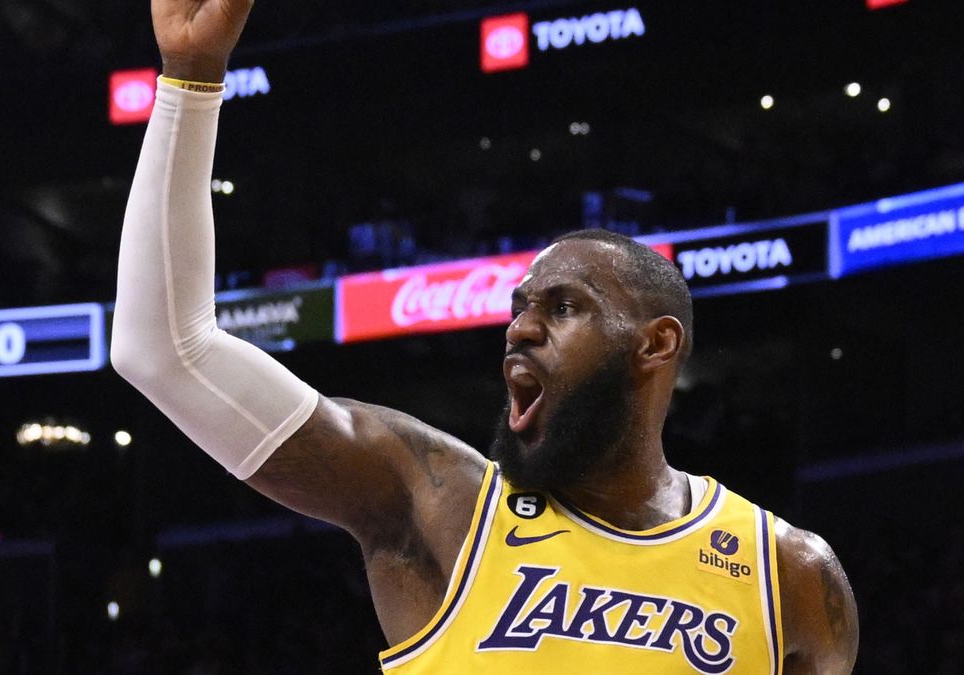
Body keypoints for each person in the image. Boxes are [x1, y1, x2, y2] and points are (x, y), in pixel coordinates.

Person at [110, 1, 859, 672]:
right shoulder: (445, 507)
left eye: (563, 308)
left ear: (655, 344)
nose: (520, 327)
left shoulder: (788, 574)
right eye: (519, 305)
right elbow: (165, 350)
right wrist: (191, 77)